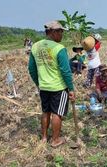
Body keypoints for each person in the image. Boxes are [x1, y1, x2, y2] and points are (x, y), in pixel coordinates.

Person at [28, 20, 75, 148]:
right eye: (60, 31)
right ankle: (55, 140)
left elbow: (31, 69)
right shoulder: (59, 48)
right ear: (53, 32)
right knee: (57, 113)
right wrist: (71, 89)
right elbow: (66, 71)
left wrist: (39, 83)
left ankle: (44, 137)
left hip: (43, 87)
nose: (62, 34)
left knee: (46, 112)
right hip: (58, 87)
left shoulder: (35, 46)